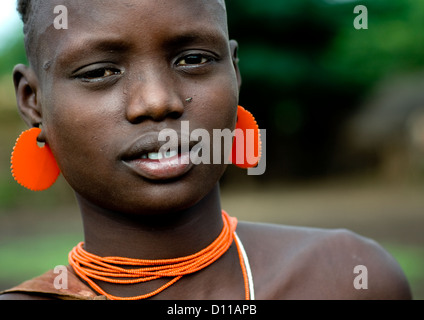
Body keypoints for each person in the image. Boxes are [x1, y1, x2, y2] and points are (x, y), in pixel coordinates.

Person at [0, 0, 411, 300]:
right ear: (32, 100)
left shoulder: (349, 278)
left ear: (234, 71)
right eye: (100, 72)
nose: (158, 101)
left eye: (193, 59)